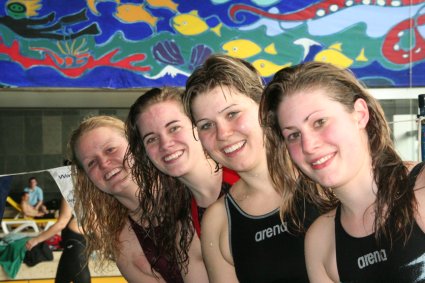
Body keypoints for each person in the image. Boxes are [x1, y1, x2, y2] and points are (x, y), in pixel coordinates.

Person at [259, 61, 425, 282]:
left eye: (320, 122)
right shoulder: (321, 240)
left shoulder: (421, 189)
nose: (308, 146)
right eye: (294, 135)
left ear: (360, 114)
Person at [183, 54, 329, 283]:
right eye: (206, 125)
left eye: (232, 114)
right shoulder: (219, 221)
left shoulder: (324, 174)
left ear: (263, 107)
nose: (223, 134)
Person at [68, 115, 206, 283]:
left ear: (136, 146)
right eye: (91, 163)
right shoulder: (123, 242)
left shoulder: (196, 193)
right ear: (89, 179)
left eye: (110, 149)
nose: (104, 163)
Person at [125, 87, 237, 282]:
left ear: (198, 126)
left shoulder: (246, 176)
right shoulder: (184, 226)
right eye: (151, 139)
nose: (165, 144)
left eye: (174, 128)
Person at [25, 198, 90, 283]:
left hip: (75, 246)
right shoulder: (91, 192)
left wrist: (36, 240)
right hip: (78, 245)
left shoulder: (70, 191)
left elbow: (61, 223)